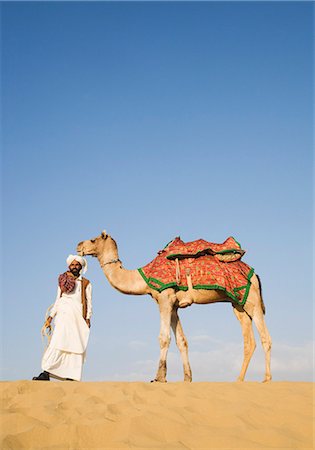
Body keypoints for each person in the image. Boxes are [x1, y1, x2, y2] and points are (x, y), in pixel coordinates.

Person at [33, 255, 92, 381]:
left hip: (77, 318)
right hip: (63, 315)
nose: (75, 267)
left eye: (77, 265)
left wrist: (88, 319)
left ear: (80, 267)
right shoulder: (62, 280)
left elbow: (89, 302)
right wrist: (50, 317)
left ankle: (72, 376)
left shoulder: (86, 283)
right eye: (72, 264)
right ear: (69, 266)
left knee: (75, 346)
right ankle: (46, 372)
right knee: (57, 342)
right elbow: (57, 300)